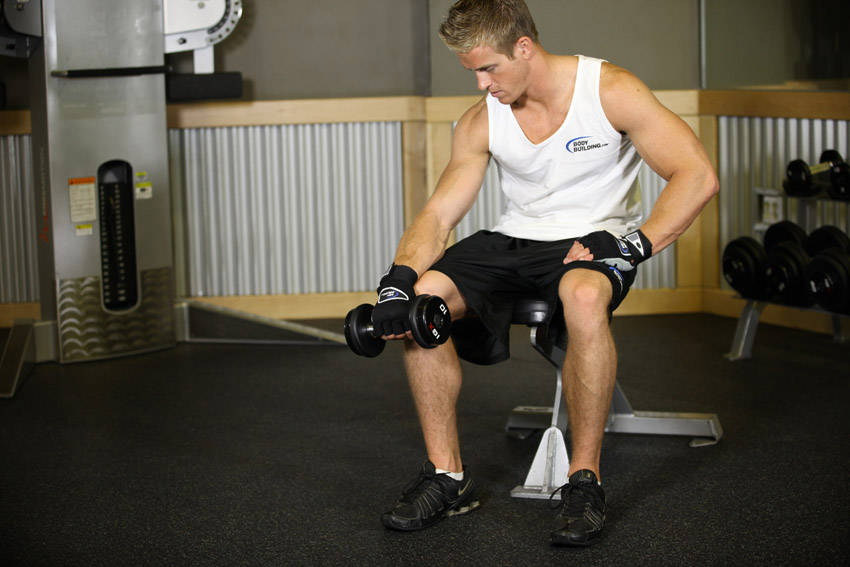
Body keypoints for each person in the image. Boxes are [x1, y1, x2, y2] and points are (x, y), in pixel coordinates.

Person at [371, 0, 718, 546]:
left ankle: (584, 481)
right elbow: (438, 215)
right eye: (473, 72)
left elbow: (696, 175)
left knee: (583, 296)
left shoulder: (610, 90)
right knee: (423, 302)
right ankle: (446, 475)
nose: (482, 84)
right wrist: (396, 280)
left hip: (592, 240)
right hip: (513, 239)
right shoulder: (482, 119)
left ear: (524, 47)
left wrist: (632, 245)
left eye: (490, 68)